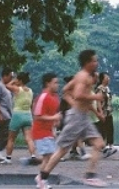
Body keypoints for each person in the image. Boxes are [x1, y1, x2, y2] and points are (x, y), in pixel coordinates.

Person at [35, 49, 108, 188]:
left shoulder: (85, 76)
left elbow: (66, 90)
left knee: (99, 144)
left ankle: (90, 176)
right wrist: (96, 97)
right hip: (76, 117)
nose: (97, 63)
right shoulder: (82, 76)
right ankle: (42, 177)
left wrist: (75, 103)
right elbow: (78, 95)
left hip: (83, 116)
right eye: (94, 61)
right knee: (62, 150)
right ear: (87, 63)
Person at [32, 72, 61, 188]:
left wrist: (55, 125)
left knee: (49, 157)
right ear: (48, 83)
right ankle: (41, 179)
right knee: (49, 157)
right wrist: (54, 118)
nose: (57, 85)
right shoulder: (43, 97)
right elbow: (37, 116)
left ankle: (41, 179)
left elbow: (54, 114)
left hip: (48, 131)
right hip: (40, 132)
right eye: (55, 83)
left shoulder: (55, 98)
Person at [5, 71, 38, 165]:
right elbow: (31, 105)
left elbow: (7, 85)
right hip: (28, 115)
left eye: (17, 79)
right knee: (29, 138)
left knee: (11, 138)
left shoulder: (17, 89)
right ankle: (33, 156)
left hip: (17, 115)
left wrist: (13, 80)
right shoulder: (30, 91)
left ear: (20, 80)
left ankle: (8, 158)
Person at [94, 72, 117, 158]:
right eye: (107, 77)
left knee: (110, 129)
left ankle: (110, 146)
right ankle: (103, 148)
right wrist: (100, 112)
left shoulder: (107, 88)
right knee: (103, 130)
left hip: (109, 112)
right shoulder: (100, 88)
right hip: (103, 112)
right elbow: (98, 101)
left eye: (109, 77)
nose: (108, 79)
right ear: (102, 79)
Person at [0, 67, 14, 162]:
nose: (11, 79)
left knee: (3, 133)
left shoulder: (7, 86)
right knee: (7, 133)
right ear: (4, 76)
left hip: (9, 113)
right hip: (4, 114)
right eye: (10, 76)